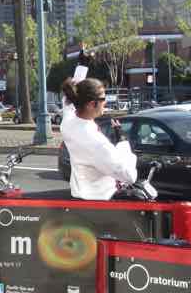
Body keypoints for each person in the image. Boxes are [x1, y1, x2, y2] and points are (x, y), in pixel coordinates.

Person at [59, 48, 137, 199]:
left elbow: (71, 97)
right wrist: (122, 141)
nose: (106, 102)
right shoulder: (95, 141)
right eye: (103, 99)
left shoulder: (69, 122)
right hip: (100, 204)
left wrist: (83, 65)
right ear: (91, 104)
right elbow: (129, 175)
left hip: (80, 196)